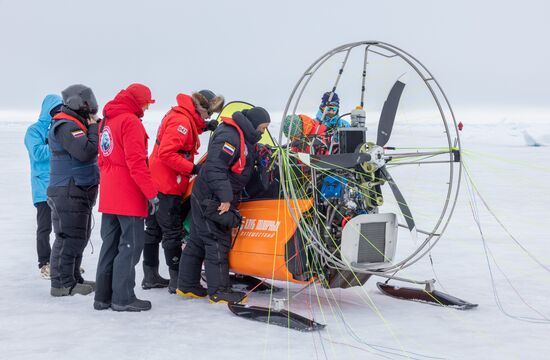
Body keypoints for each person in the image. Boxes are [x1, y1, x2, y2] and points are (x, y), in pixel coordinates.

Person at [176, 106, 271, 304]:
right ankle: (219, 291)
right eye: (262, 128)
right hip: (212, 197)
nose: (262, 133)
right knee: (216, 240)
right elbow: (215, 168)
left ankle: (186, 286)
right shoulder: (230, 138)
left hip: (206, 194)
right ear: (253, 125)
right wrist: (226, 198)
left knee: (197, 240)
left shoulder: (241, 135)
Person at [143, 90, 223, 293]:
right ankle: (176, 278)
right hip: (167, 183)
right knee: (171, 231)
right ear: (201, 107)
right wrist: (193, 169)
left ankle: (150, 275)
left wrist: (205, 127)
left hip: (155, 180)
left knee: (152, 230)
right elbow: (168, 153)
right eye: (209, 114)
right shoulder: (182, 122)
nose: (209, 117)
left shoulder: (181, 114)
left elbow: (184, 133)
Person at [94, 84, 159, 312]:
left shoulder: (107, 120)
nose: (146, 108)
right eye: (146, 103)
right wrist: (151, 194)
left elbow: (102, 158)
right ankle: (123, 298)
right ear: (137, 101)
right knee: (130, 246)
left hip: (110, 193)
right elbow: (137, 163)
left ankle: (102, 298)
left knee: (110, 245)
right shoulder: (130, 122)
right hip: (128, 195)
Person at [47, 84, 99, 297]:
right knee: (68, 237)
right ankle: (62, 283)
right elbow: (85, 152)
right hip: (68, 190)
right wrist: (94, 128)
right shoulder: (67, 126)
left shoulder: (76, 123)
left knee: (79, 236)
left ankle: (73, 277)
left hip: (76, 188)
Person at [24, 94, 63, 279]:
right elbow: (38, 153)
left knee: (62, 228)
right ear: (48, 110)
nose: (59, 113)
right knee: (45, 227)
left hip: (60, 186)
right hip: (42, 187)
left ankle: (62, 263)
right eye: (56, 109)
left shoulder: (58, 128)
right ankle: (45, 263)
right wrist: (59, 144)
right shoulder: (34, 131)